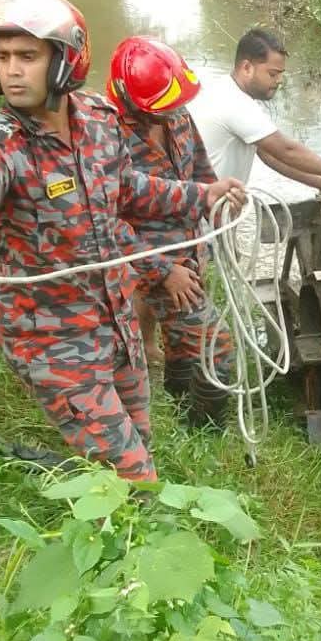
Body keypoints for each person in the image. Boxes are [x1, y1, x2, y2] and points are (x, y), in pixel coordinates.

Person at [0, 0, 245, 482]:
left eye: (26, 55)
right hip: (53, 338)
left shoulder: (98, 119)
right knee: (134, 477)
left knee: (138, 444)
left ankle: (98, 504)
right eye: (2, 56)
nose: (11, 70)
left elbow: (127, 189)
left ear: (65, 60)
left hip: (116, 320)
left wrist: (204, 194)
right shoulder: (1, 146)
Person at [106, 36, 234, 428]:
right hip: (151, 263)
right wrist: (164, 271)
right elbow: (106, 223)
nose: (173, 112)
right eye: (163, 108)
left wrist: (218, 202)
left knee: (182, 345)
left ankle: (181, 414)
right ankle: (207, 432)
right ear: (131, 101)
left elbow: (199, 169)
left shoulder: (175, 113)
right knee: (219, 346)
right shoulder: (103, 136)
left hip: (190, 252)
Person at [191, 26, 321, 189]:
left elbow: (269, 154)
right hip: (212, 212)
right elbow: (286, 150)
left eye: (280, 74)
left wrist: (318, 181)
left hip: (221, 201)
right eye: (273, 74)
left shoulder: (226, 89)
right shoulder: (235, 103)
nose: (279, 81)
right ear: (247, 67)